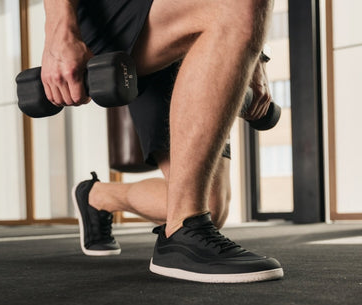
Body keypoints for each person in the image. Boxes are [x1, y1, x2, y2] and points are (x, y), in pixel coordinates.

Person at [41, 0, 284, 283]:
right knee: (239, 5)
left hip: (183, 14)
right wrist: (59, 32)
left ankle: (98, 196)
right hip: (113, 12)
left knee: (212, 204)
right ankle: (180, 235)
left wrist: (254, 53)